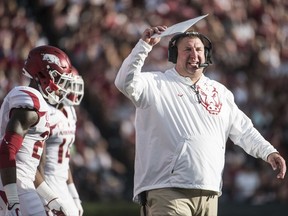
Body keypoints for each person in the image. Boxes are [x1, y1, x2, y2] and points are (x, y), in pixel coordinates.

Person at [114, 25, 287, 216]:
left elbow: (244, 131)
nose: (194, 53)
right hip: (167, 190)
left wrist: (269, 152)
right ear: (174, 55)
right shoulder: (154, 83)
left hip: (209, 193)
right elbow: (124, 82)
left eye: (199, 49)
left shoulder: (220, 91)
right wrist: (143, 46)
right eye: (187, 49)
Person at [0, 45, 74, 216]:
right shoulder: (29, 103)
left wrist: (51, 198)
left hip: (20, 183)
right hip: (14, 186)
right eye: (59, 78)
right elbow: (7, 150)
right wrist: (12, 200)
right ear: (42, 74)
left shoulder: (39, 104)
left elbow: (27, 164)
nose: (61, 86)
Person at [39, 66, 84, 216]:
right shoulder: (46, 111)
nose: (73, 89)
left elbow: (65, 160)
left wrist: (74, 193)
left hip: (62, 181)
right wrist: (45, 197)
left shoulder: (70, 111)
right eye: (69, 83)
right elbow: (39, 161)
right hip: (48, 180)